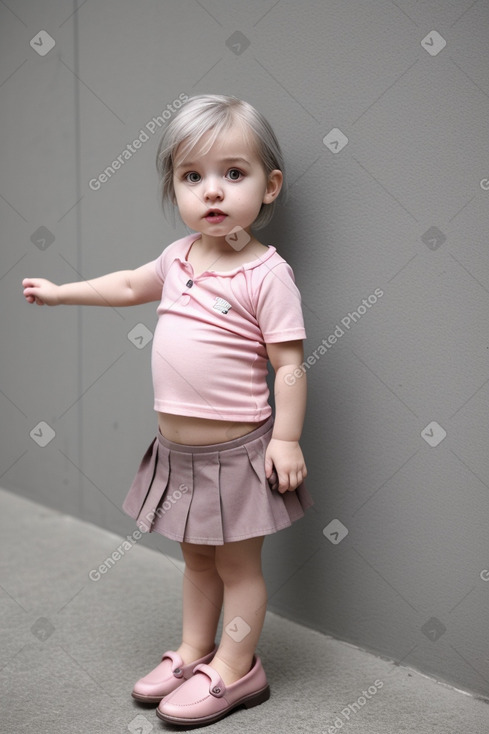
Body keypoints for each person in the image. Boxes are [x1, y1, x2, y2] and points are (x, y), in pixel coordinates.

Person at [22, 94, 313, 727]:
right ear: (175, 188)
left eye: (233, 174)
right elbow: (127, 285)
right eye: (192, 176)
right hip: (178, 452)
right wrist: (61, 292)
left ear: (271, 186)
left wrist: (285, 439)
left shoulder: (267, 274)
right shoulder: (178, 258)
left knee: (239, 564)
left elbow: (288, 363)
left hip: (238, 453)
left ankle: (237, 667)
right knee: (196, 558)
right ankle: (192, 650)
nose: (212, 191)